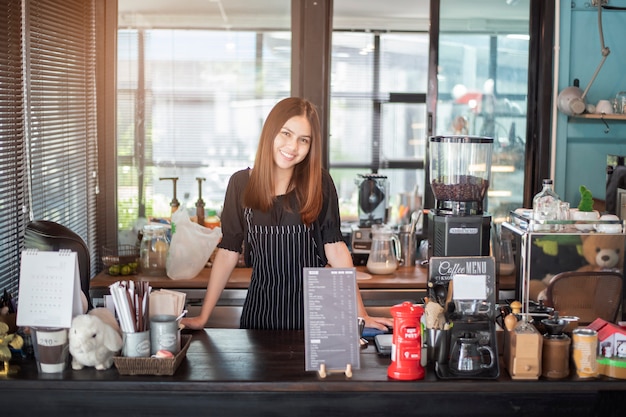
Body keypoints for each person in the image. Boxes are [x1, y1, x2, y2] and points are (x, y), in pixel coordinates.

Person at [182, 97, 394, 331]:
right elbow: (228, 252)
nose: (293, 147)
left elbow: (335, 248)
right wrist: (203, 317)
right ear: (270, 132)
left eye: (303, 140)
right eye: (286, 134)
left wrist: (360, 314)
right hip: (259, 316)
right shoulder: (240, 184)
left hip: (315, 320)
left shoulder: (319, 183)